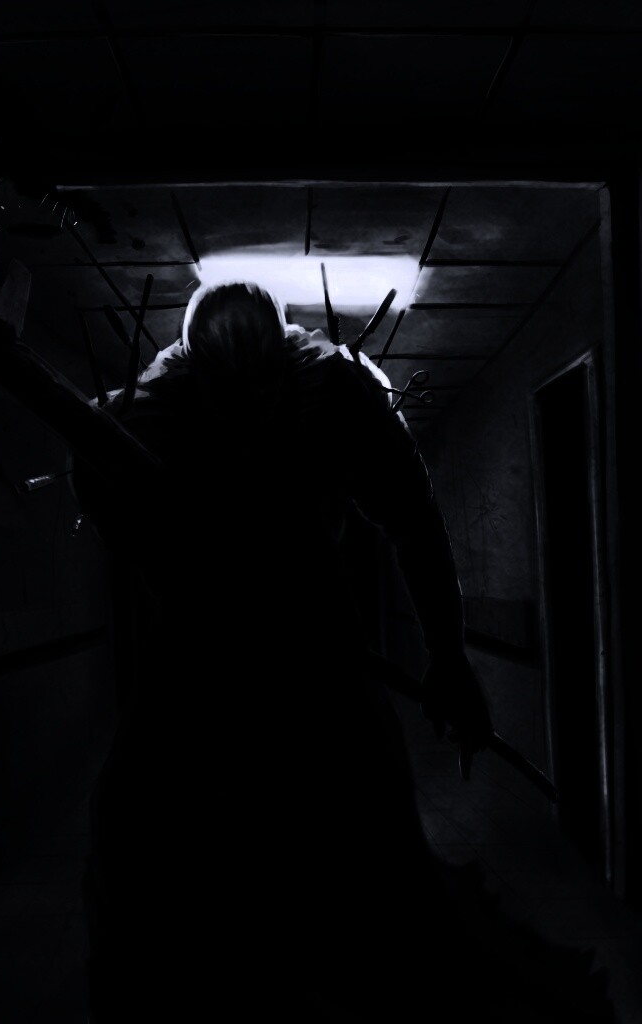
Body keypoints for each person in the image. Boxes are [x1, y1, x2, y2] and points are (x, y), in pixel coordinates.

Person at [71, 281, 609, 1022]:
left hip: (314, 625)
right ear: (196, 374)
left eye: (260, 394)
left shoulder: (336, 389)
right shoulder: (146, 410)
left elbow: (414, 519)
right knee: (135, 831)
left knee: (365, 839)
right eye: (228, 397)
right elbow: (106, 499)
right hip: (200, 633)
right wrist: (175, 551)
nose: (247, 412)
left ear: (282, 369)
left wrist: (449, 654)